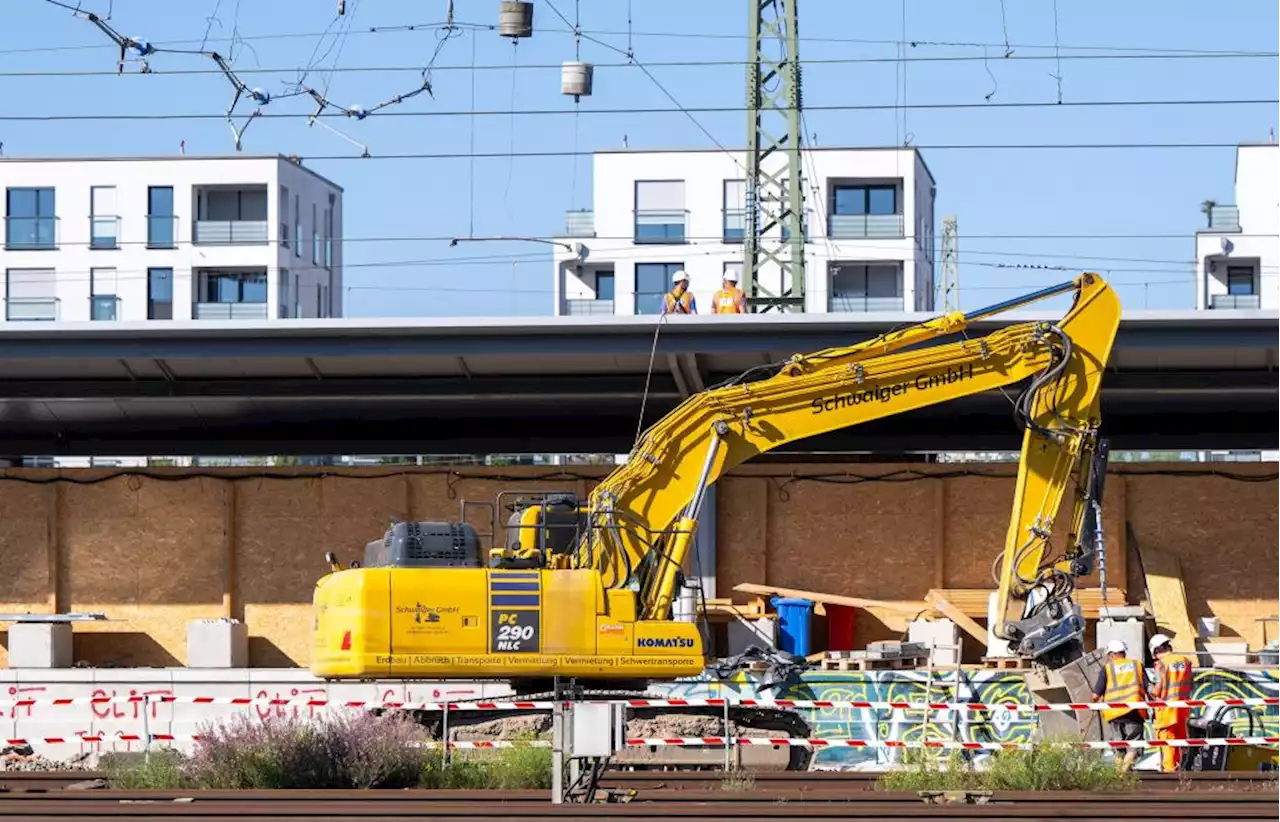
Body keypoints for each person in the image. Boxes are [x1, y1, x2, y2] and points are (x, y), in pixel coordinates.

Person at [1091, 639, 1150, 772]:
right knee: (1134, 745)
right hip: (1134, 712)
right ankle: (1123, 773)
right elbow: (1149, 688)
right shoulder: (1137, 665)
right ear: (1124, 652)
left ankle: (1120, 774)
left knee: (1119, 747)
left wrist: (1097, 703)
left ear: (1111, 655)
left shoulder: (1107, 669)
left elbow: (1095, 695)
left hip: (1114, 715)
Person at [1148, 633, 1194, 773]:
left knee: (1167, 742)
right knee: (1180, 742)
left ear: (1156, 651)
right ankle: (1180, 773)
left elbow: (1157, 690)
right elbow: (1190, 684)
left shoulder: (1161, 664)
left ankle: (1169, 774)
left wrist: (1149, 688)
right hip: (1182, 710)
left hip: (1166, 711)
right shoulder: (1185, 661)